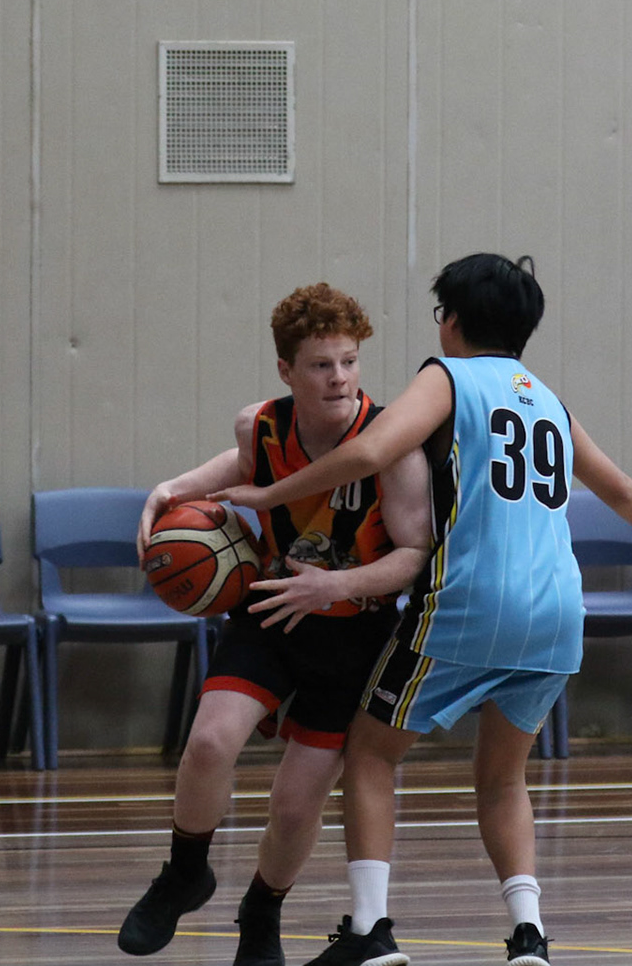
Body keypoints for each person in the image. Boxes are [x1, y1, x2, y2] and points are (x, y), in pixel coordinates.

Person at [215, 253, 632, 966]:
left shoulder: (448, 378)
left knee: (369, 753)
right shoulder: (546, 398)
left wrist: (270, 494)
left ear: (453, 321)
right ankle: (528, 937)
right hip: (558, 613)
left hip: (472, 602)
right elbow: (620, 488)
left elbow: (370, 449)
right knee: (502, 777)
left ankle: (370, 930)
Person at [118, 283, 433, 966]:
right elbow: (243, 468)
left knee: (294, 807)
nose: (340, 377)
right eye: (321, 365)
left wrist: (335, 584)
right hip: (269, 611)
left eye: (349, 361)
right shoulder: (259, 427)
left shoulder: (392, 445)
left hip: (352, 633)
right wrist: (173, 489)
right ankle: (185, 872)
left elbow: (414, 554)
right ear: (286, 370)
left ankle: (261, 914)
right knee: (209, 743)